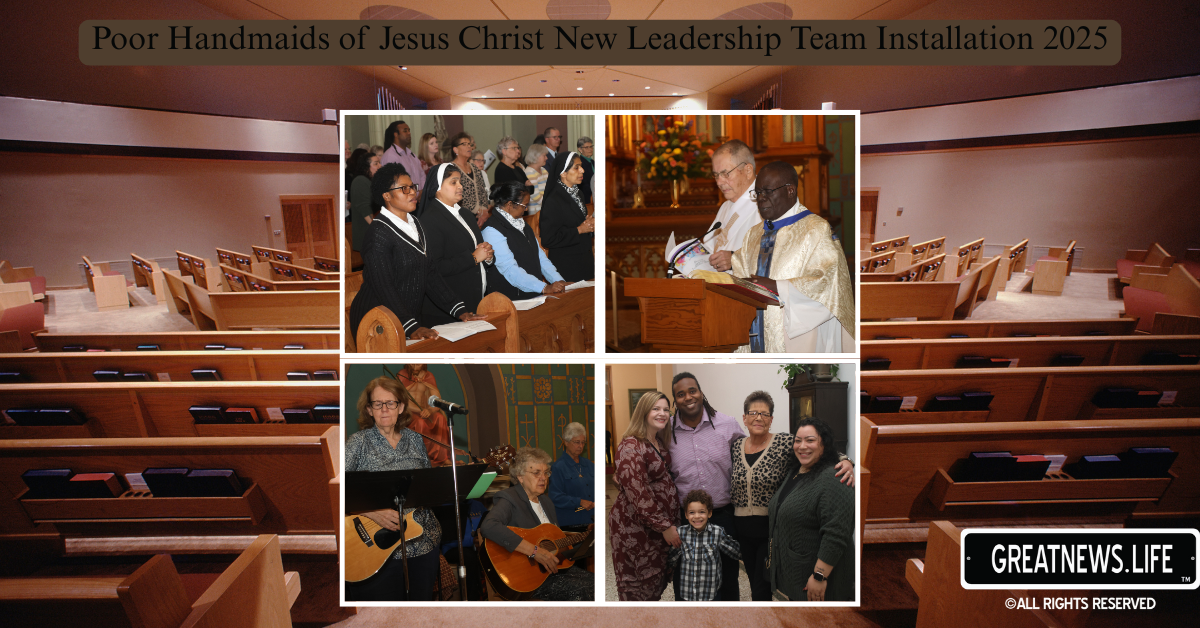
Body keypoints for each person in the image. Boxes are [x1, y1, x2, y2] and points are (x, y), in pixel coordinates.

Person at [730, 390, 853, 601]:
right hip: (743, 531)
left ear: (771, 420)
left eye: (765, 414)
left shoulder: (785, 442)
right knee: (755, 583)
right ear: (744, 418)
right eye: (753, 412)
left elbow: (823, 450)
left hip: (768, 531)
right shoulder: (736, 446)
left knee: (763, 589)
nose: (759, 417)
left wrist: (848, 461)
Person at [347, 164, 483, 342]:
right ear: (386, 196)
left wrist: (459, 310)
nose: (412, 192)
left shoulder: (416, 224)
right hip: (377, 323)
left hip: (406, 318)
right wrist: (410, 327)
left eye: (412, 187)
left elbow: (430, 273)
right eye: (404, 189)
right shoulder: (378, 234)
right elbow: (385, 288)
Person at [731, 161, 855, 353]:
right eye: (758, 193)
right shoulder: (752, 235)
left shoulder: (816, 229)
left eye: (768, 191)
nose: (761, 199)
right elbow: (740, 275)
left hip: (797, 339)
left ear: (790, 191)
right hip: (753, 336)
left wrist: (776, 286)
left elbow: (829, 285)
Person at [344, 376, 441, 601]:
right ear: (369, 410)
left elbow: (425, 486)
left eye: (391, 403)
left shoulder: (416, 440)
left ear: (402, 407)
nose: (385, 409)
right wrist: (372, 513)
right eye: (378, 404)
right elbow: (339, 491)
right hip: (377, 547)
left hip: (423, 540)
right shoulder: (357, 443)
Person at [665, 372, 746, 601]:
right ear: (675, 400)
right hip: (685, 519)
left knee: (728, 579)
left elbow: (753, 450)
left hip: (723, 516)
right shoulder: (666, 432)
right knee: (685, 578)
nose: (688, 397)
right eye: (680, 394)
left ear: (701, 393)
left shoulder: (727, 424)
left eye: (692, 391)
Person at [479, 447, 594, 601]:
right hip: (528, 577)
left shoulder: (546, 502)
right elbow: (489, 526)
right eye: (536, 473)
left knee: (596, 583)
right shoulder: (509, 498)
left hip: (554, 570)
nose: (543, 478)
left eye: (546, 472)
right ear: (520, 477)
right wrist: (534, 551)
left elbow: (555, 540)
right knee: (584, 591)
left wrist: (587, 535)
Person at [768, 418, 855, 602]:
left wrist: (819, 576)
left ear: (824, 444)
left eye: (810, 440)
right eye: (798, 440)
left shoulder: (834, 478)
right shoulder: (796, 471)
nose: (802, 446)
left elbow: (836, 534)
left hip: (818, 579)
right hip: (796, 572)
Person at [610, 391, 680, 601]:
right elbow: (639, 493)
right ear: (643, 411)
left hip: (655, 530)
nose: (662, 413)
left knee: (654, 586)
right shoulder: (631, 444)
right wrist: (665, 526)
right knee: (639, 590)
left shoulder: (657, 441)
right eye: (656, 409)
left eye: (666, 410)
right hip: (636, 530)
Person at [417, 163, 494, 326]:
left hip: (474, 298)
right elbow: (435, 268)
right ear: (438, 187)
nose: (460, 186)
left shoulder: (465, 213)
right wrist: (473, 258)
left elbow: (478, 249)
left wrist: (487, 255)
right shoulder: (430, 220)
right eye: (453, 182)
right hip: (448, 309)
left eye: (460, 182)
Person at [480, 181, 567, 300]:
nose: (526, 209)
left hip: (532, 291)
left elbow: (540, 256)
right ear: (509, 204)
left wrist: (558, 280)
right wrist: (544, 287)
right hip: (510, 298)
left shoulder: (521, 223)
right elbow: (509, 269)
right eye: (524, 205)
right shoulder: (492, 230)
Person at [668, 489, 742, 601]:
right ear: (686, 515)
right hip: (687, 594)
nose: (697, 516)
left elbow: (737, 552)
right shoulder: (681, 534)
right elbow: (670, 558)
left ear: (710, 513)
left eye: (702, 512)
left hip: (711, 595)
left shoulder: (717, 533)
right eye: (692, 512)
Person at [705, 140, 762, 272]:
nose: (719, 182)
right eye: (716, 175)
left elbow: (779, 253)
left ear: (748, 170)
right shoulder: (726, 207)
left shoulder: (767, 204)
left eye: (725, 174)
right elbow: (711, 248)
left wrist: (734, 259)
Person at [539, 151, 595, 282]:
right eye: (576, 167)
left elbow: (580, 224)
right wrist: (579, 230)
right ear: (563, 173)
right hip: (567, 267)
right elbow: (548, 239)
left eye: (581, 166)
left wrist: (590, 225)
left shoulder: (578, 193)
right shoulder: (553, 200)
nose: (582, 170)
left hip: (584, 261)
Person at [398, 364, 451, 466]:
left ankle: (441, 458)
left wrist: (430, 411)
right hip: (408, 411)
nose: (414, 366)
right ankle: (420, 458)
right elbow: (400, 400)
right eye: (412, 363)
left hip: (424, 411)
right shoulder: (402, 374)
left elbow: (437, 400)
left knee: (440, 418)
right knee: (419, 422)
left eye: (417, 363)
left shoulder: (428, 376)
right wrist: (421, 410)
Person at [547, 422, 595, 531]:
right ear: (566, 442)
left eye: (583, 442)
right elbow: (555, 497)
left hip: (592, 521)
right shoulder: (558, 467)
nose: (581, 446)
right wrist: (579, 502)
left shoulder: (589, 465)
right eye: (577, 442)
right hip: (571, 522)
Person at [447, 132, 490, 225]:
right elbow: (457, 196)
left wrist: (484, 211)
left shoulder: (474, 168)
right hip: (463, 216)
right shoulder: (451, 169)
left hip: (481, 216)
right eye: (464, 144)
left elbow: (482, 191)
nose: (469, 147)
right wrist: (477, 211)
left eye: (469, 144)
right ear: (455, 149)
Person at [348, 148, 381, 253]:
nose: (380, 166)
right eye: (376, 163)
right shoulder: (360, 181)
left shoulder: (372, 182)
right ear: (366, 167)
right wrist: (381, 234)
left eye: (379, 163)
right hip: (368, 238)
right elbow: (365, 210)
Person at [380, 120, 425, 190]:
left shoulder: (412, 155)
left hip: (418, 197)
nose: (409, 133)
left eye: (409, 130)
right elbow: (393, 183)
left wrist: (421, 191)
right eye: (405, 131)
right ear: (396, 134)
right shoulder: (390, 156)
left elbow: (422, 175)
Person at [523, 143, 550, 217]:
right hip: (536, 214)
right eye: (544, 155)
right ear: (535, 156)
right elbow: (536, 197)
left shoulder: (544, 170)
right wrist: (552, 203)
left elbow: (550, 189)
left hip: (546, 210)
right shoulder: (529, 172)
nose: (546, 158)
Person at [576, 136, 595, 205]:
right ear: (580, 149)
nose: (590, 149)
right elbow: (583, 184)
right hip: (586, 198)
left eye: (591, 146)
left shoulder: (593, 162)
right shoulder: (579, 163)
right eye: (586, 147)